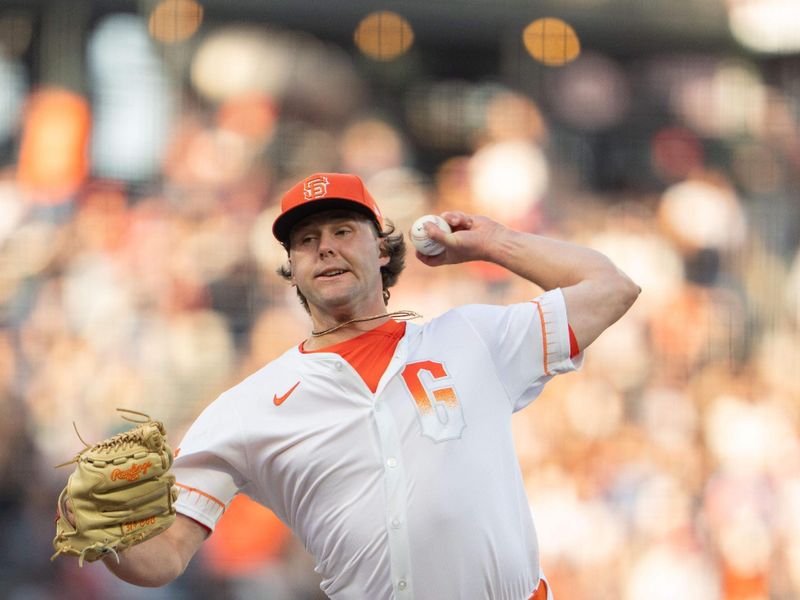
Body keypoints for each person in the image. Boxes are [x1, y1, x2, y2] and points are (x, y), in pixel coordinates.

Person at [99, 172, 640, 599]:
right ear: (291, 266)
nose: (325, 248)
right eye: (307, 240)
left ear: (382, 249)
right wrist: (100, 527)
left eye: (342, 231)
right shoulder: (248, 408)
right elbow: (164, 558)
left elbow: (610, 287)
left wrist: (495, 243)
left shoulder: (472, 338)